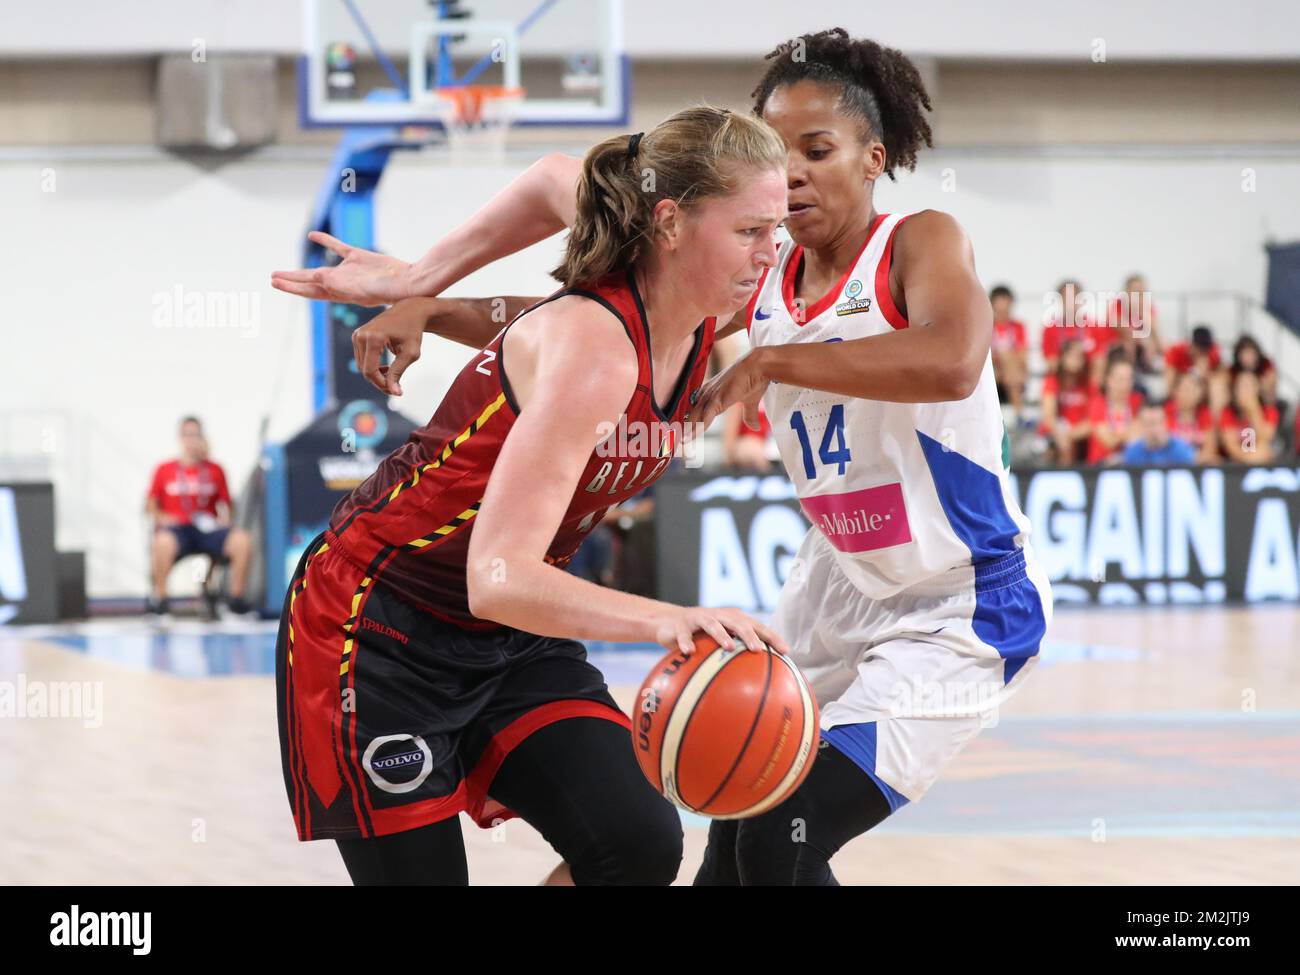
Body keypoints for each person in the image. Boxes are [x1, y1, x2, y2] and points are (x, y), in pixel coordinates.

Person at [282, 28, 1054, 886]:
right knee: (739, 824)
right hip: (396, 621)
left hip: (955, 595)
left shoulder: (889, 245)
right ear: (678, 219)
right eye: (776, 151)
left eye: (816, 150)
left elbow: (951, 360)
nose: (792, 174)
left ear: (875, 158)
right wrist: (424, 297)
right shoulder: (735, 279)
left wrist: (768, 359)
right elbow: (561, 296)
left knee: (747, 834)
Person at [271, 107, 789, 885]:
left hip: (509, 636)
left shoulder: (709, 299)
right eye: (752, 230)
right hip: (377, 626)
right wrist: (667, 617)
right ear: (673, 223)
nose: (773, 250)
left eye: (777, 226)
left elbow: (555, 178)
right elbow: (498, 572)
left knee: (639, 840)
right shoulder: (599, 351)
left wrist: (428, 293)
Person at [144, 416, 254, 618]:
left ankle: (235, 601)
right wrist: (163, 518)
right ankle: (160, 601)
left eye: (196, 435)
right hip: (178, 530)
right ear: (180, 438)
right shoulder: (164, 469)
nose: (192, 440)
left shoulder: (214, 469)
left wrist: (226, 522)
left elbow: (227, 505)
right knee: (162, 542)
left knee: (241, 540)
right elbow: (150, 506)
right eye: (188, 435)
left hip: (207, 530)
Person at [1038, 339, 1094, 464]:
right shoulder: (1052, 381)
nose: (1076, 360)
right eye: (1072, 355)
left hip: (1078, 434)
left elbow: (1092, 420)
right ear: (1062, 357)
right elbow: (1049, 416)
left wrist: (1070, 435)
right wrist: (1062, 436)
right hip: (1055, 433)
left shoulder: (1088, 384)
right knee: (1061, 446)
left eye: (1080, 356)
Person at [1086, 353, 1145, 466]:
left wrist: (1119, 435)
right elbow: (1108, 441)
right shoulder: (1097, 404)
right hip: (1101, 465)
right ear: (1109, 380)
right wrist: (1130, 430)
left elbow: (1142, 435)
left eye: (1129, 379)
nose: (1125, 384)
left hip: (1131, 463)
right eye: (1121, 379)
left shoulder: (1138, 401)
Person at [989, 284, 1028, 421]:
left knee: (1008, 359)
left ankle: (1019, 413)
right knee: (1005, 356)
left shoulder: (1017, 326)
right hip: (994, 373)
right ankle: (1020, 413)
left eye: (1005, 300)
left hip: (1011, 375)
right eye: (999, 300)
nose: (1002, 305)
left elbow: (1023, 354)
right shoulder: (987, 325)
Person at [1165, 371, 1218, 464]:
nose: (1189, 394)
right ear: (1175, 392)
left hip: (1198, 467)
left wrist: (1193, 461)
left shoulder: (1205, 414)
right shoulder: (1166, 412)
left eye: (1194, 390)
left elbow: (1210, 449)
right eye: (1185, 389)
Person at [1122, 401, 1195, 465]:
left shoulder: (1181, 450)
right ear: (1140, 425)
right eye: (1148, 423)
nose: (1153, 429)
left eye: (1157, 423)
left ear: (1165, 423)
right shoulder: (1133, 452)